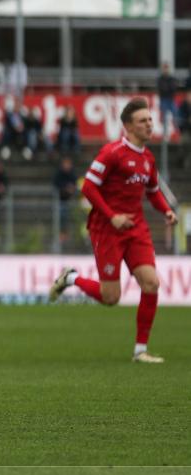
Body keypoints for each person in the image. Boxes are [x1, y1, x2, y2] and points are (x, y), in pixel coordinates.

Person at [49, 98, 178, 363]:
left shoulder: (148, 159)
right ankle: (71, 278)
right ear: (128, 126)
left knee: (151, 283)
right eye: (143, 121)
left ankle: (140, 350)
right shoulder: (112, 153)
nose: (149, 124)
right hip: (107, 228)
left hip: (136, 228)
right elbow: (88, 187)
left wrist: (166, 210)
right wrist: (112, 216)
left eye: (150, 119)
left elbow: (153, 192)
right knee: (111, 297)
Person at [156, 61, 176, 133]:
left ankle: (177, 131)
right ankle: (165, 133)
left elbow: (173, 88)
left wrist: (166, 88)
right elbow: (161, 89)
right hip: (163, 99)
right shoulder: (160, 79)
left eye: (166, 68)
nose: (165, 69)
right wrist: (167, 88)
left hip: (171, 99)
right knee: (164, 117)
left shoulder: (171, 78)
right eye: (164, 68)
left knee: (176, 115)